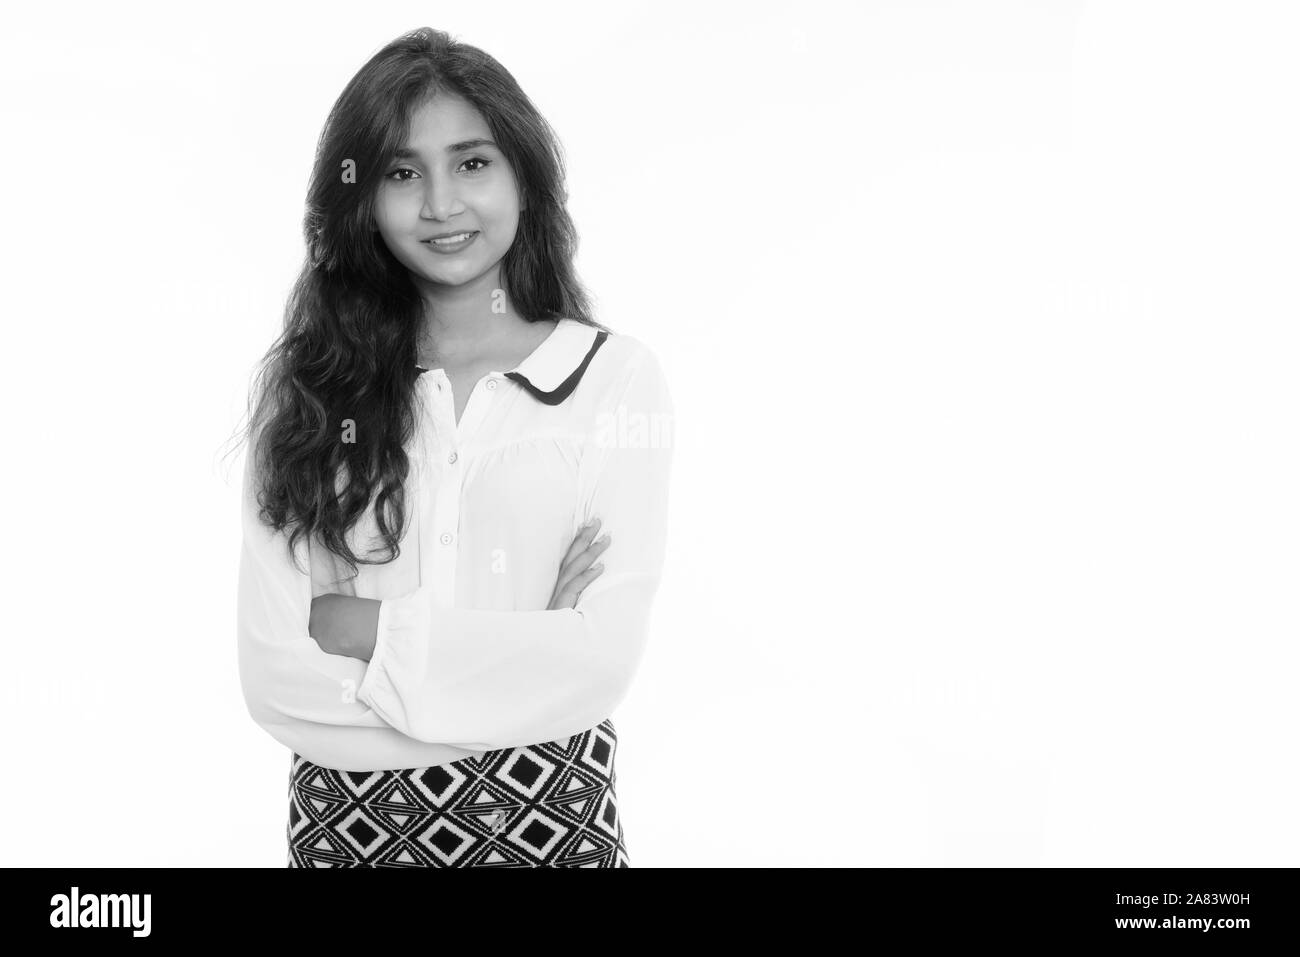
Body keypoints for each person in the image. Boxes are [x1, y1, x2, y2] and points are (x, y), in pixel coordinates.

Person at [233, 27, 674, 868]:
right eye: (402, 172)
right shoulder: (308, 387)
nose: (440, 205)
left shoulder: (614, 381)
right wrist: (522, 659)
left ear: (523, 175)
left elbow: (599, 664)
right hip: (349, 844)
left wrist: (365, 629)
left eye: (473, 163)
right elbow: (276, 677)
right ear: (359, 195)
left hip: (551, 842)